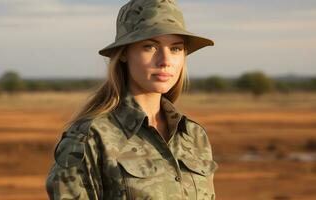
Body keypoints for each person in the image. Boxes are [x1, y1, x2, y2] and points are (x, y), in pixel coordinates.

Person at [46, 0, 218, 199]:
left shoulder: (193, 135)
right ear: (124, 53)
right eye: (150, 47)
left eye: (176, 49)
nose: (165, 61)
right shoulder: (92, 137)